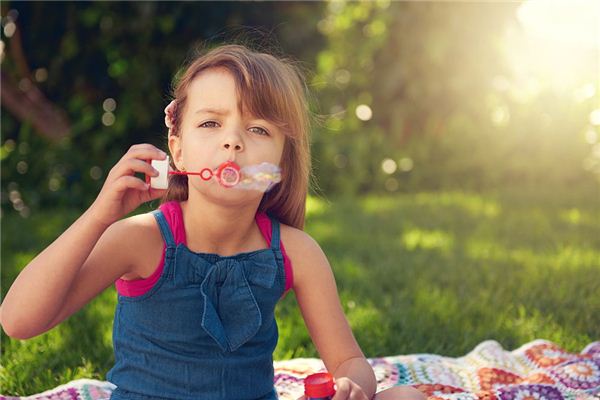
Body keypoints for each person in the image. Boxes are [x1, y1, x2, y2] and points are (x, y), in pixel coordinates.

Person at [0, 44, 425, 400]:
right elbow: (19, 321)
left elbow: (349, 360)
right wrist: (99, 216)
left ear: (279, 162)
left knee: (406, 396)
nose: (233, 139)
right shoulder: (141, 240)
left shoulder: (295, 251)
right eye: (210, 123)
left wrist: (354, 385)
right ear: (178, 151)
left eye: (259, 129)